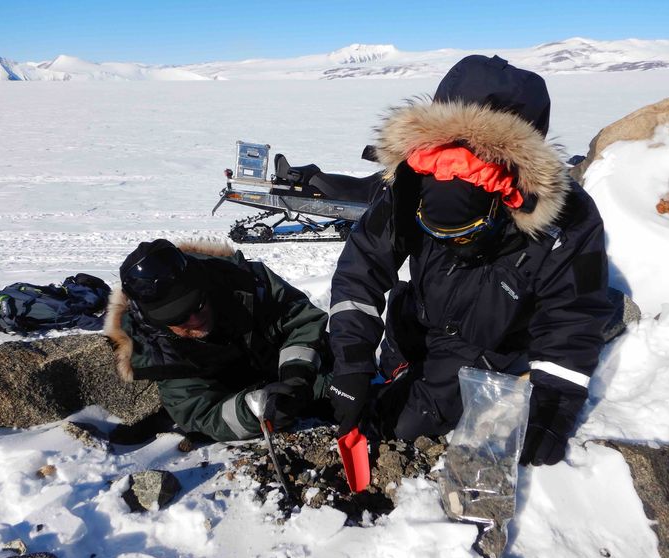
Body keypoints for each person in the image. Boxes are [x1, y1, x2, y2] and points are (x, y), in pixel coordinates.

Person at [327, 55, 613, 466]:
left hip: (486, 353)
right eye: (437, 231)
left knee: (399, 429)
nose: (454, 243)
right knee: (349, 401)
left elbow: (573, 315)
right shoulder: (411, 182)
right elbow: (361, 268)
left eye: (467, 232)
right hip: (411, 331)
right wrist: (352, 364)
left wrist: (553, 409)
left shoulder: (567, 220)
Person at [104, 238, 330, 442]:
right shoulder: (158, 353)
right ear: (156, 322)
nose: (194, 319)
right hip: (257, 399)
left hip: (311, 372)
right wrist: (256, 410)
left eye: (198, 304)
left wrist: (297, 373)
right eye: (179, 317)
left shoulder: (244, 281)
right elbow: (202, 414)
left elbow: (300, 318)